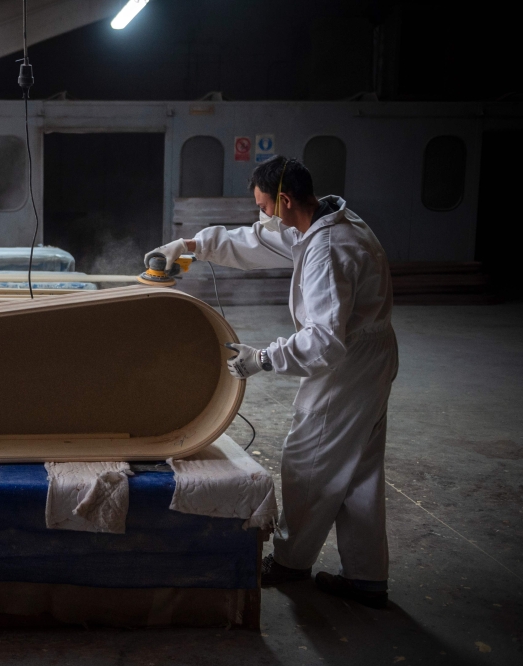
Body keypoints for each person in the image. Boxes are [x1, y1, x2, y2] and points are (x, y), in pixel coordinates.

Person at [147, 155, 398, 609]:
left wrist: (263, 358)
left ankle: (290, 563)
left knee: (309, 462)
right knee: (359, 468)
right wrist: (190, 246)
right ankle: (366, 578)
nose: (261, 214)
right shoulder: (322, 221)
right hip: (371, 355)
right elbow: (255, 241)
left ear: (284, 200)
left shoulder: (327, 249)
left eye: (263, 205)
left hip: (348, 366)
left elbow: (324, 341)